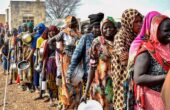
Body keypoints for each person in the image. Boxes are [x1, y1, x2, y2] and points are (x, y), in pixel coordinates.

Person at [133, 14, 170, 110]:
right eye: (166, 31)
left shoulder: (168, 47)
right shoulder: (147, 50)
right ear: (156, 30)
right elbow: (138, 78)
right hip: (154, 100)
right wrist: (166, 77)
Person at [126, 11, 161, 110]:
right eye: (154, 22)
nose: (157, 25)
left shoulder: (161, 42)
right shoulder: (138, 43)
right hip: (144, 90)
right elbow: (133, 71)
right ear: (149, 24)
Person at [80, 18, 117, 110]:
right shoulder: (97, 42)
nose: (108, 29)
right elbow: (92, 67)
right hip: (100, 85)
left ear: (115, 28)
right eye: (105, 28)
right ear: (101, 30)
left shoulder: (119, 41)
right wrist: (86, 92)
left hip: (116, 84)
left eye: (110, 27)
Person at [111, 9, 143, 110]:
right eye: (136, 22)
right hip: (122, 78)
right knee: (122, 104)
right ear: (128, 22)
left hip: (133, 78)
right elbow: (124, 60)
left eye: (140, 21)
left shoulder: (136, 36)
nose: (140, 24)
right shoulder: (120, 37)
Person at [48, 15, 81, 109]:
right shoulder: (63, 33)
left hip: (77, 60)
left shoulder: (79, 34)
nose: (73, 23)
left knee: (77, 81)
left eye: (74, 21)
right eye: (71, 21)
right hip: (66, 60)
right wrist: (60, 51)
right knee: (67, 81)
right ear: (67, 23)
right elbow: (50, 41)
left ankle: (76, 104)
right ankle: (67, 104)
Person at [66, 13, 104, 94]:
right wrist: (69, 73)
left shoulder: (104, 38)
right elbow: (76, 56)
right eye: (95, 27)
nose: (97, 30)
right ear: (91, 28)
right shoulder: (86, 37)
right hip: (88, 76)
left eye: (99, 27)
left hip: (103, 76)